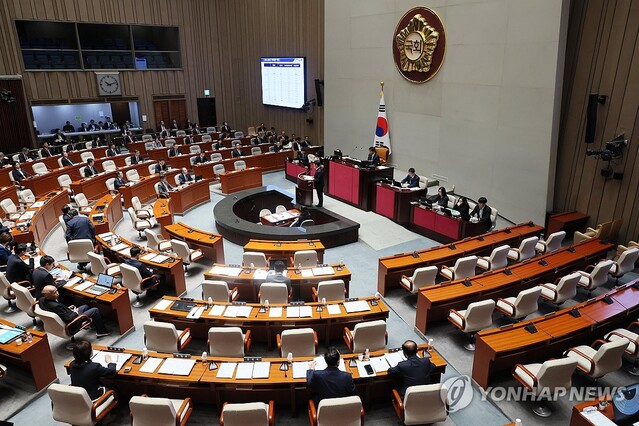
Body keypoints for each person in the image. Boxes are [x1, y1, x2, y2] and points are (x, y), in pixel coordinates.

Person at [39, 285, 111, 337]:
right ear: (47, 296)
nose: (57, 293)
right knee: (95, 310)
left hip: (67, 314)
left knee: (86, 306)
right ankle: (101, 331)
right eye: (54, 293)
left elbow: (60, 312)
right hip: (73, 323)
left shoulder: (42, 300)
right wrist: (75, 312)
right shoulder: (55, 306)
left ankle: (93, 324)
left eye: (56, 291)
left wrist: (68, 309)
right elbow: (68, 319)